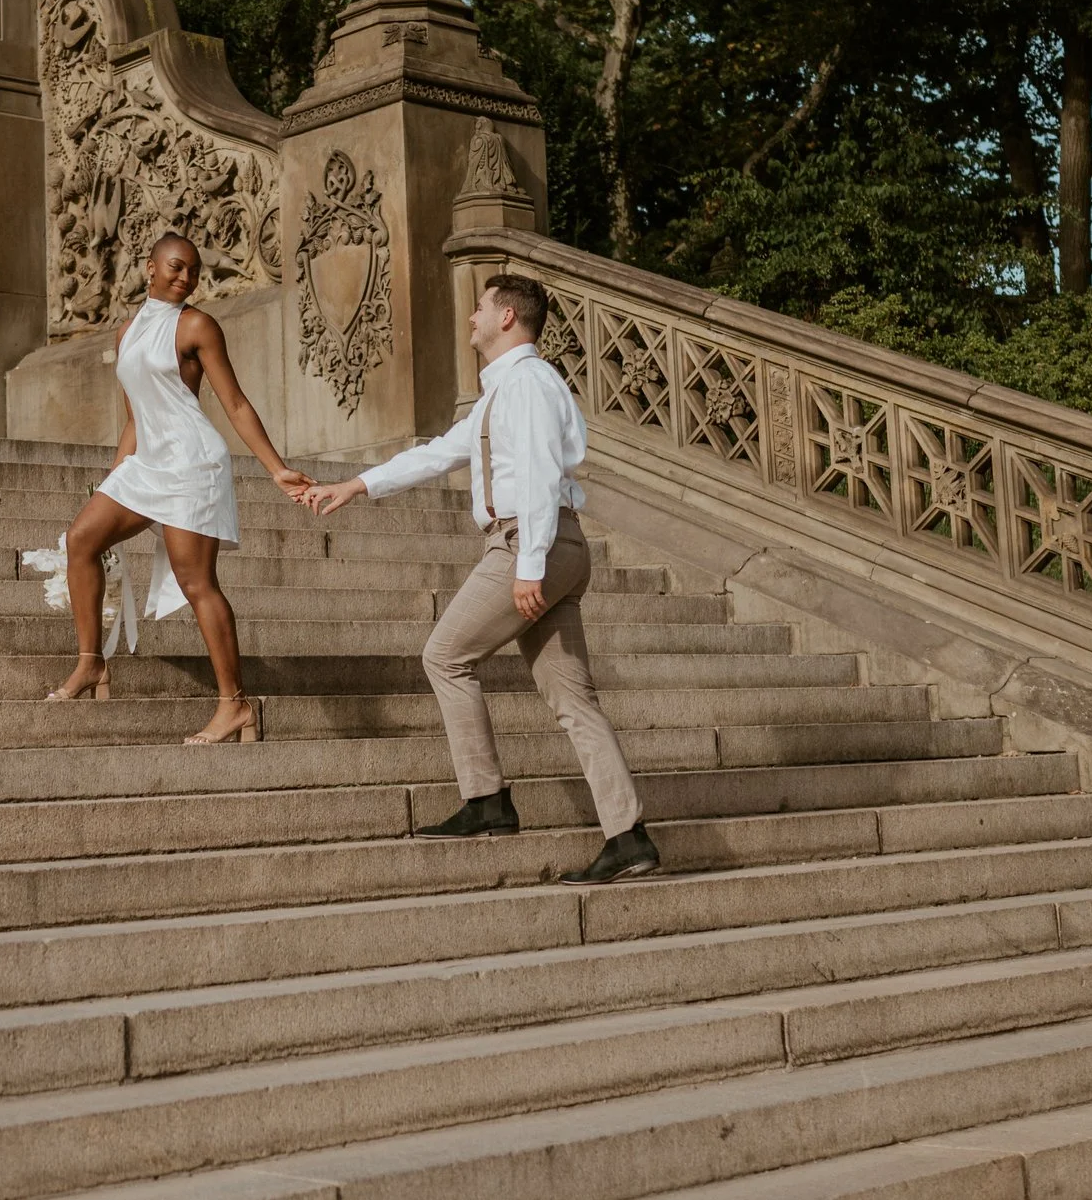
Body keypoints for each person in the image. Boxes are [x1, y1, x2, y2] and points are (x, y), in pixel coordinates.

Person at [304, 272, 658, 885]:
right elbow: (438, 452)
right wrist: (356, 485)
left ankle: (487, 801)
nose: (470, 317)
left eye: (481, 307)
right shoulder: (505, 391)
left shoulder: (526, 384)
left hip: (531, 540)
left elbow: (544, 477)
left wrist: (529, 566)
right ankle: (627, 837)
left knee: (444, 655)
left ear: (507, 318)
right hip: (547, 544)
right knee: (573, 699)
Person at [50, 232, 313, 744]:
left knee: (198, 583)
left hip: (192, 463)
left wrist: (276, 468)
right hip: (147, 462)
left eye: (193, 270)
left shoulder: (197, 325)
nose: (185, 277)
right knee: (81, 540)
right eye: (175, 266)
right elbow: (136, 415)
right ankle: (91, 665)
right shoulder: (126, 333)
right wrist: (114, 477)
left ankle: (234, 705)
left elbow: (235, 403)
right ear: (150, 267)